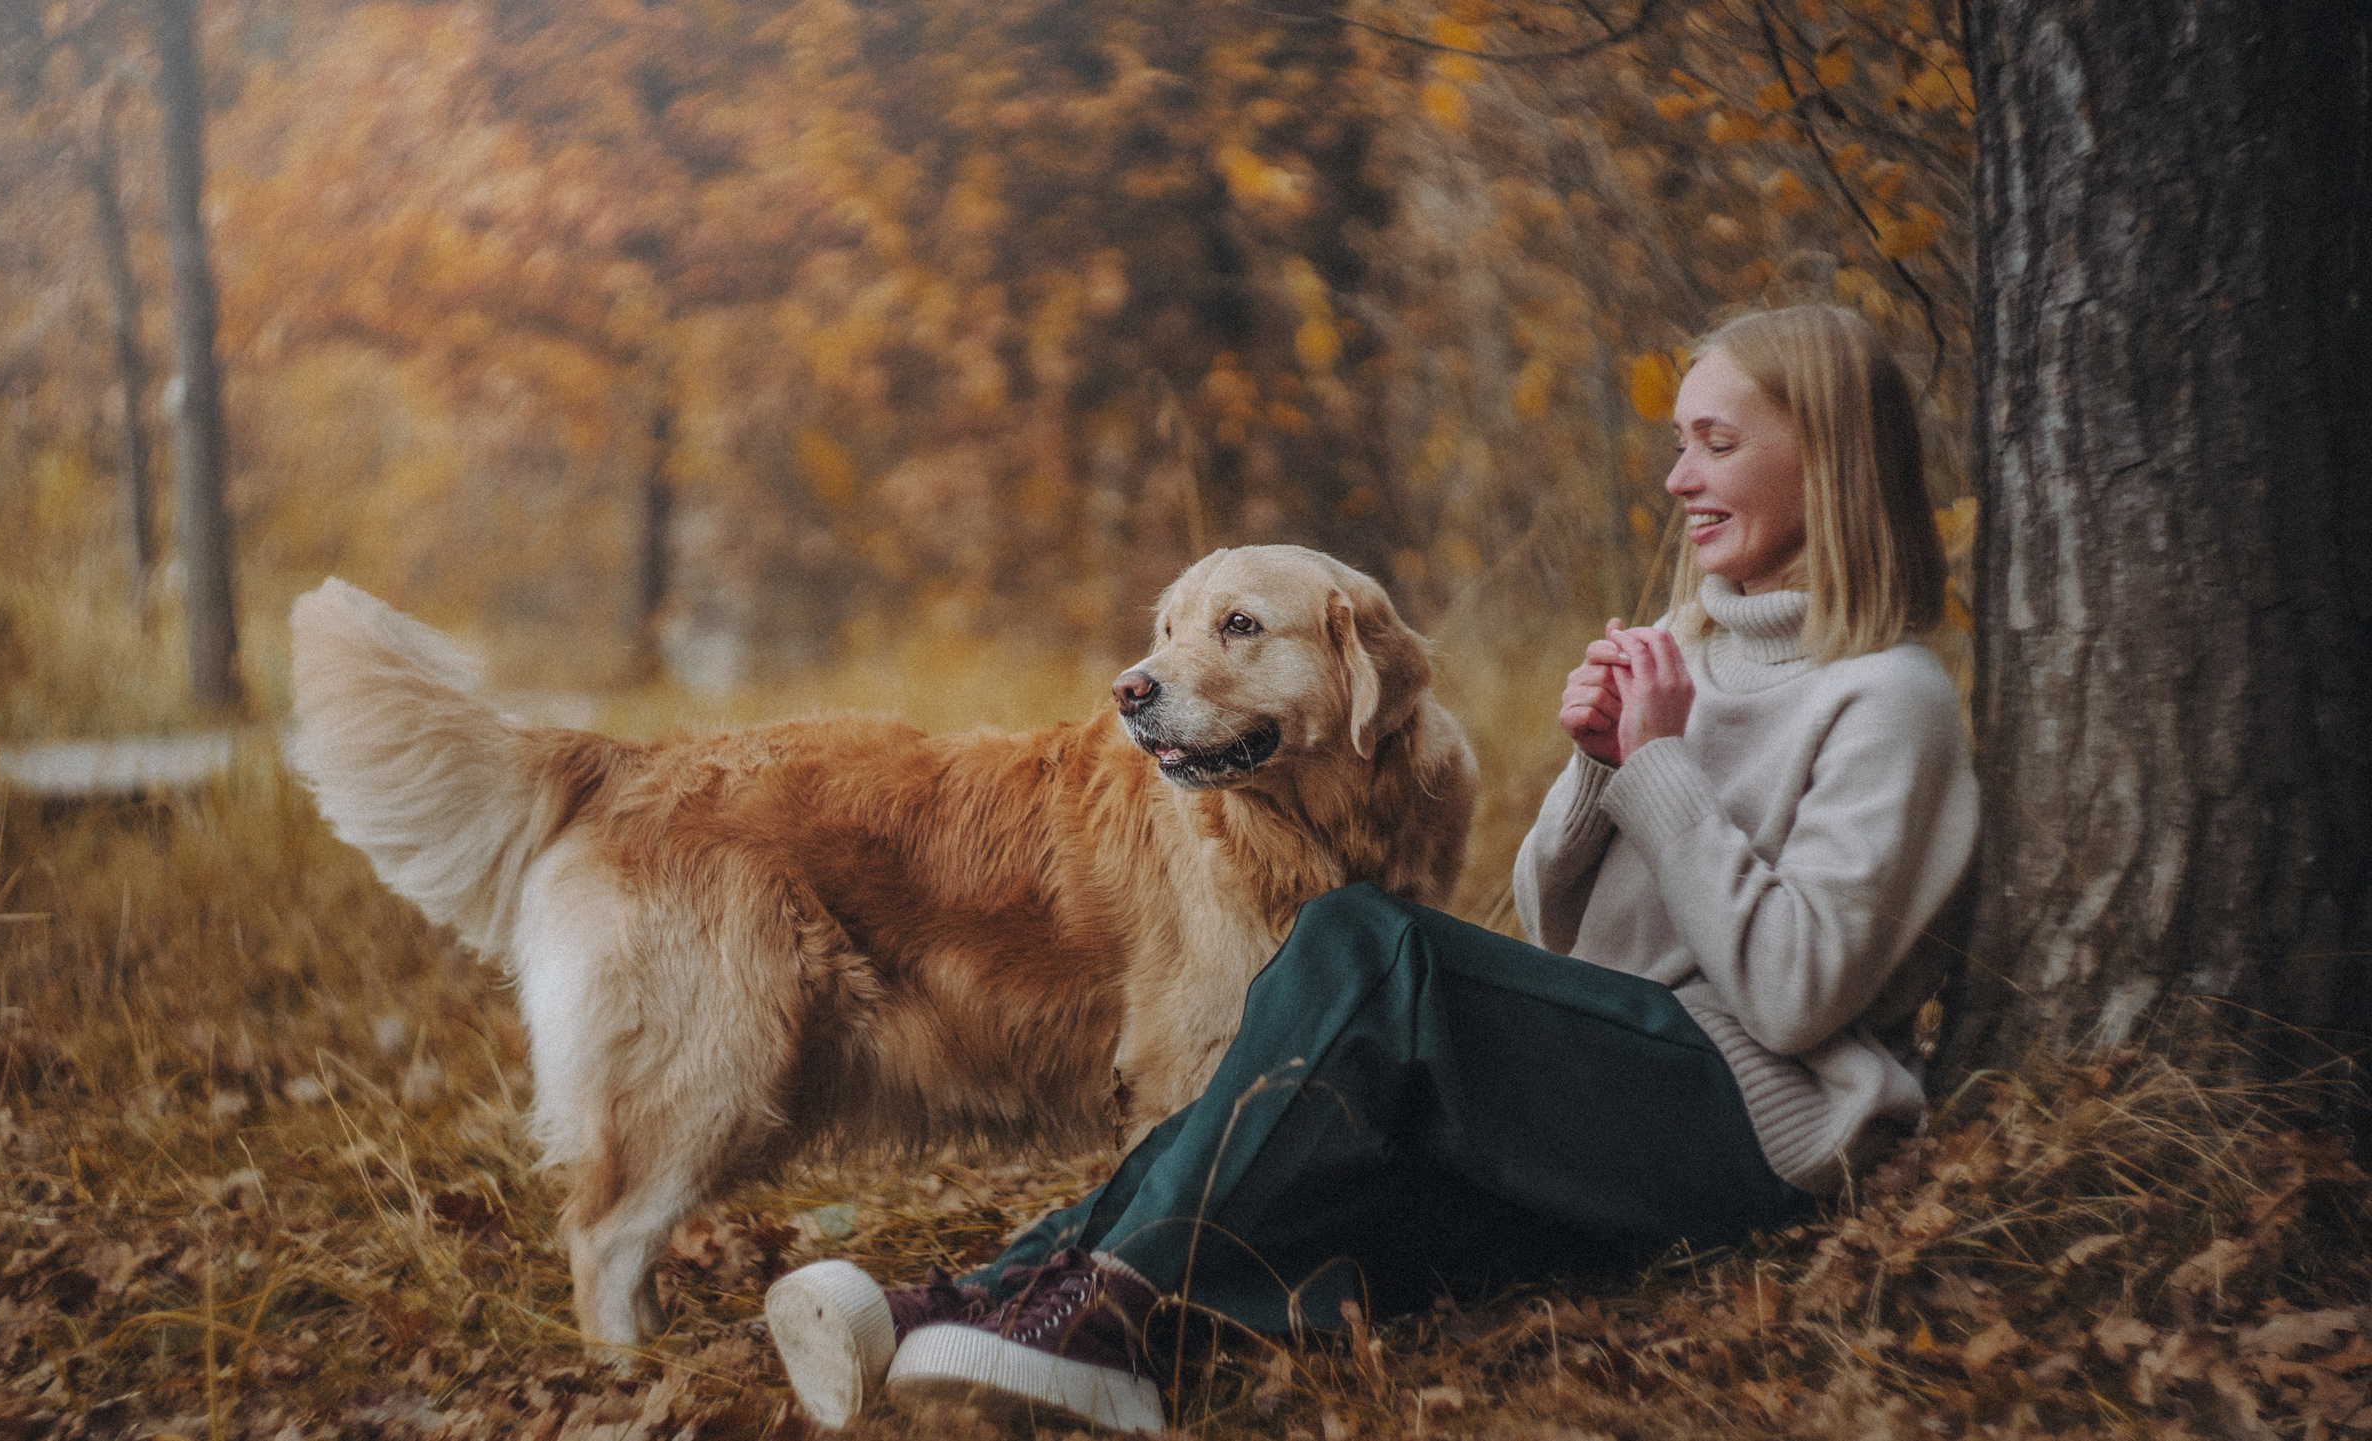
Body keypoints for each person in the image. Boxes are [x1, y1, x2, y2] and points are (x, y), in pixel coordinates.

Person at [758, 303, 1979, 1434]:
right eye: (1678, 443)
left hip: (1749, 1130)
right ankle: (963, 1309)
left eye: (1714, 443)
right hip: (1612, 1090)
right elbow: (1563, 928)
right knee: (1315, 1176)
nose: (1678, 479)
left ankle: (1103, 1319)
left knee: (1354, 937)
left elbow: (1797, 996)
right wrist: (1604, 767)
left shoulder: (1891, 700)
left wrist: (1656, 766)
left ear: (1824, 457)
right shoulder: (1685, 656)